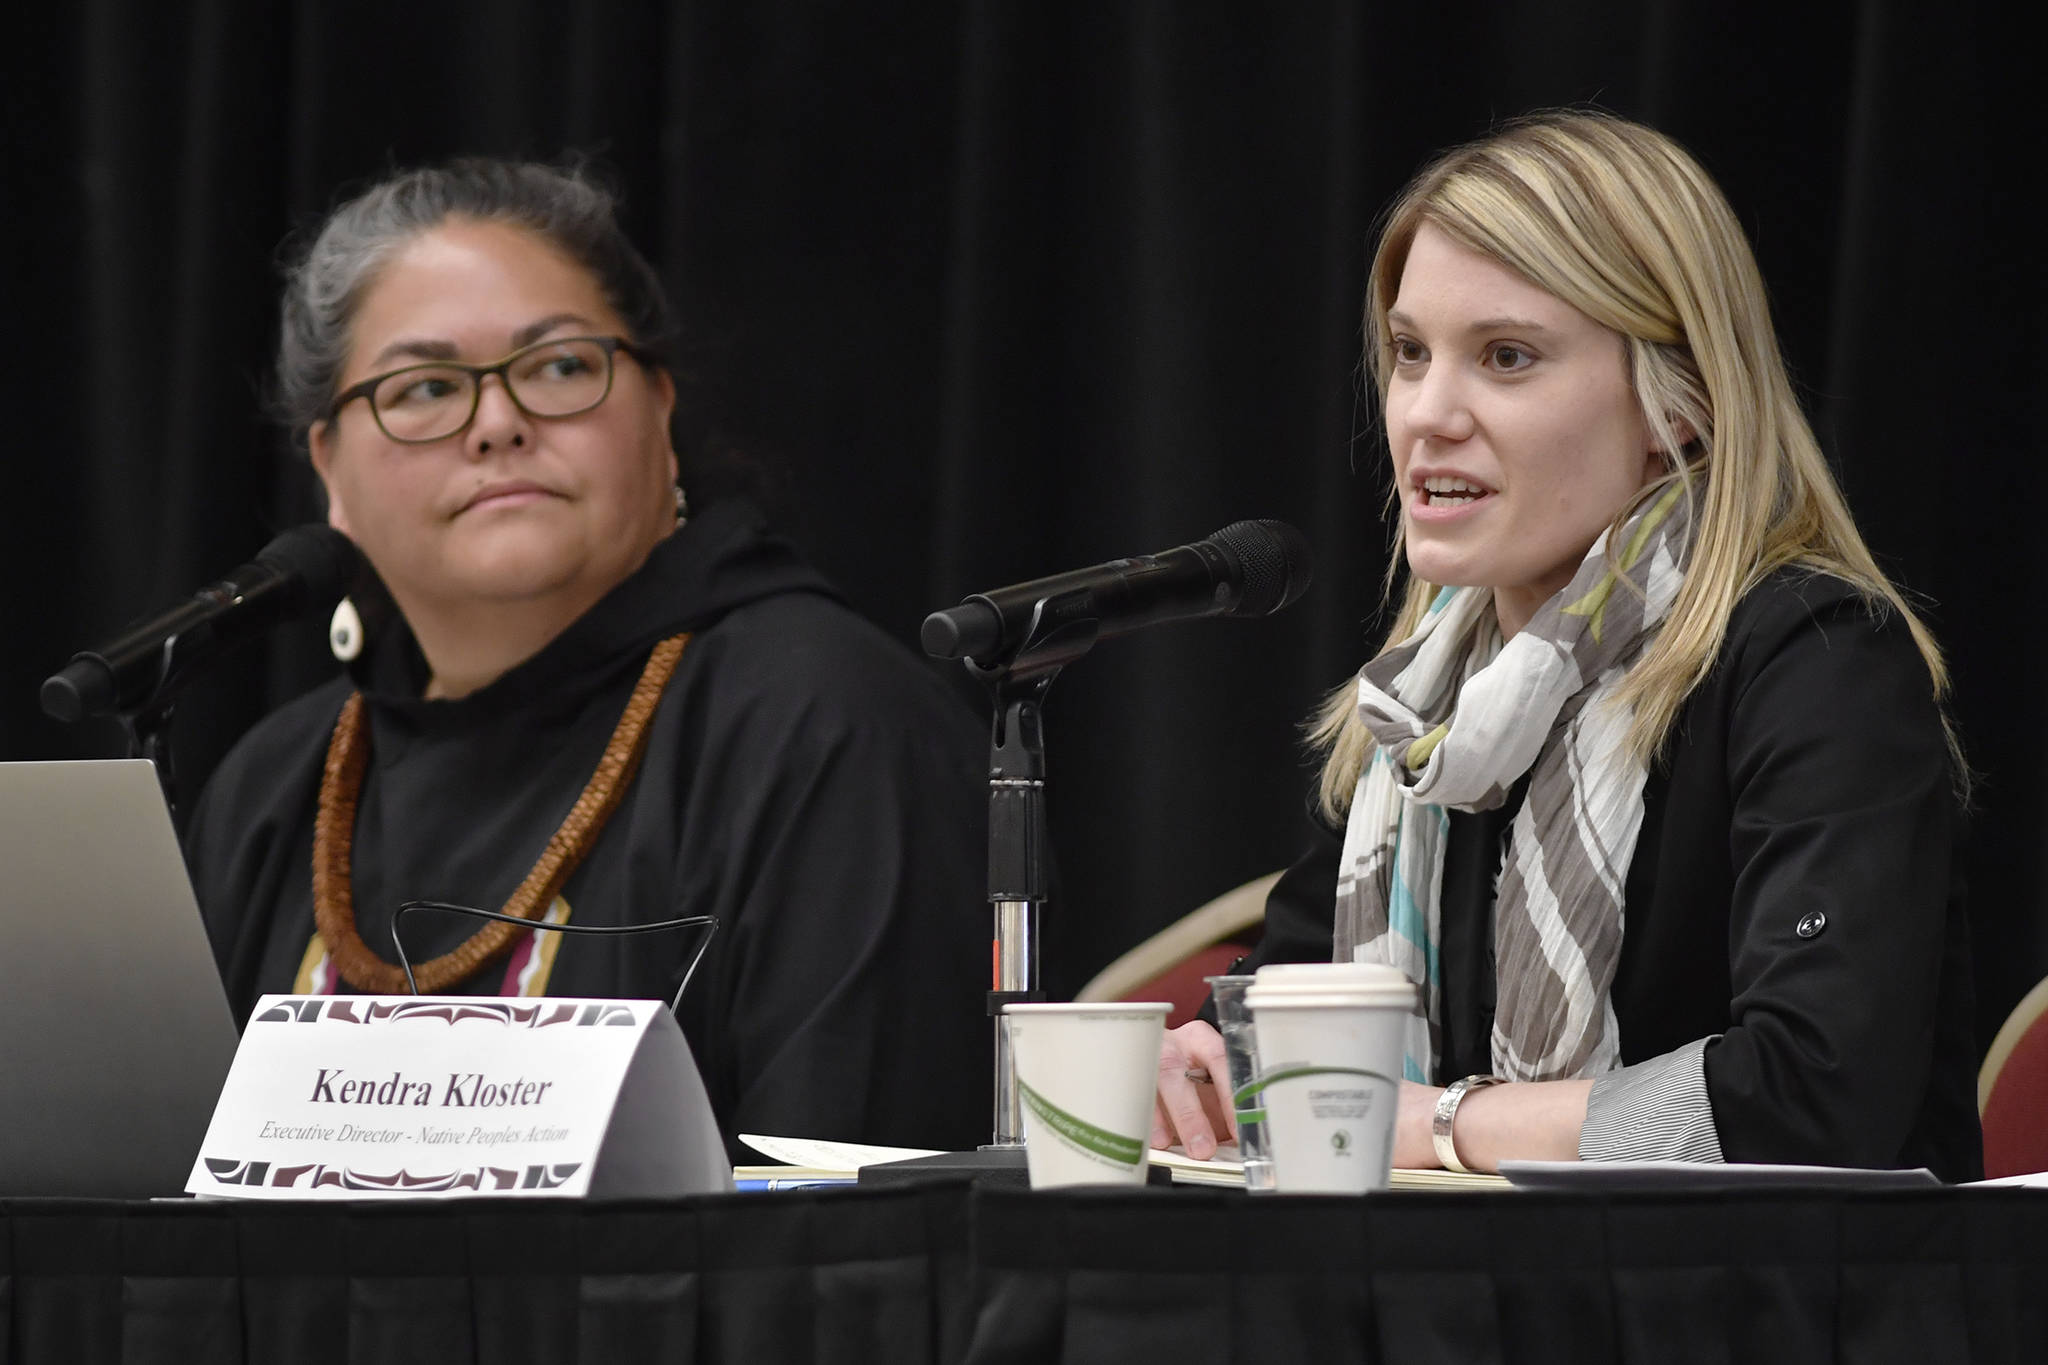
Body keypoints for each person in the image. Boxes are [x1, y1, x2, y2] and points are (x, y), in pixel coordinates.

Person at [1153, 111, 1980, 1181]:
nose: (1426, 414)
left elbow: (1811, 1096)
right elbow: (1288, 1025)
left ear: (1673, 408)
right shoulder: (1428, 718)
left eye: (1504, 358)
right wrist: (1210, 1063)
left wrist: (1436, 1124)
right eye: (1409, 354)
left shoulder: (1817, 664)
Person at [184, 159, 991, 1159]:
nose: (497, 423)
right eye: (424, 388)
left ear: (657, 409)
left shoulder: (826, 723)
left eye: (559, 367)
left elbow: (851, 1249)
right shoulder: (275, 788)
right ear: (329, 471)